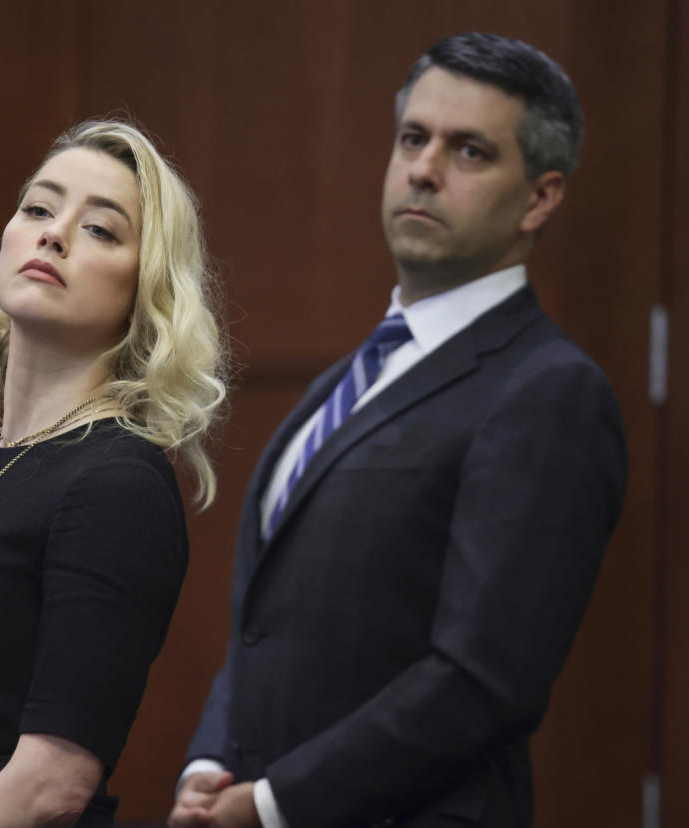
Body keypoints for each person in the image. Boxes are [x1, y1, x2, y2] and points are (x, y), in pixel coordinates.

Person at [169, 32, 627, 828]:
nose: (423, 168)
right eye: (413, 138)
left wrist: (275, 804)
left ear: (541, 197)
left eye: (470, 151)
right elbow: (264, 631)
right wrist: (211, 763)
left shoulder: (550, 392)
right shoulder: (346, 381)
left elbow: (485, 681)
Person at [0, 119, 228, 827]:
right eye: (38, 208)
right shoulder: (0, 468)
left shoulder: (117, 481)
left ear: (145, 291)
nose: (53, 233)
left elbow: (53, 783)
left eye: (101, 230)